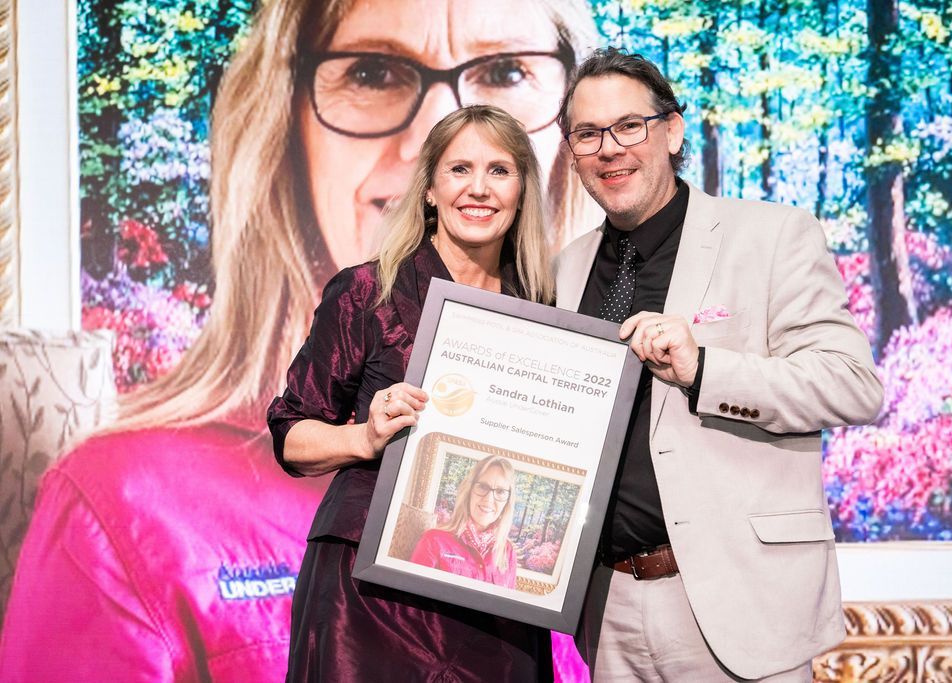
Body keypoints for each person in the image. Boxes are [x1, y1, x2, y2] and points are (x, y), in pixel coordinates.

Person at [0, 1, 597, 681]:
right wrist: (363, 439)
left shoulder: (564, 365)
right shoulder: (121, 503)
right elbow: (295, 431)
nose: (439, 140)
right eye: (372, 72)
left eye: (506, 70)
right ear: (285, 125)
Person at [554, 48, 884, 682]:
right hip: (607, 604)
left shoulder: (774, 235)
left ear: (673, 131)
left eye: (629, 126)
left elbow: (853, 385)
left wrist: (704, 368)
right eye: (588, 133)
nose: (609, 148)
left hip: (740, 602)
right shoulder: (566, 267)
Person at [267, 104, 553, 680]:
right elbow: (291, 435)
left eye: (500, 170)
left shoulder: (542, 310)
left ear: (522, 191)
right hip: (369, 597)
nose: (479, 188)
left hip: (494, 603)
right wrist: (365, 439)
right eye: (459, 169)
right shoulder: (367, 291)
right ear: (428, 189)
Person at [410, 455, 519, 588]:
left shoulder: (508, 552)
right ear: (469, 491)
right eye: (483, 487)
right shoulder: (433, 540)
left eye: (500, 491)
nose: (489, 499)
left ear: (507, 501)